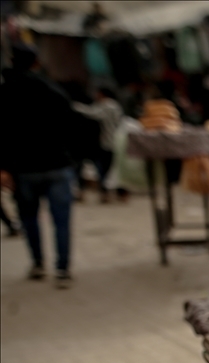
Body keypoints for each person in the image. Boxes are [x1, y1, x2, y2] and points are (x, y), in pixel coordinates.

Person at [0, 43, 77, 287]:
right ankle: (62, 268)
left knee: (29, 218)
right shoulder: (51, 90)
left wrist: (4, 167)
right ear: (36, 62)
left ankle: (38, 263)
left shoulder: (4, 93)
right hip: (57, 164)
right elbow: (71, 123)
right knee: (61, 220)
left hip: (23, 168)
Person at [72, 86, 126, 203]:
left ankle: (108, 193)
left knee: (108, 168)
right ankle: (115, 193)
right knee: (113, 168)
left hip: (110, 141)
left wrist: (76, 106)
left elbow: (93, 113)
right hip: (113, 141)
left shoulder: (107, 105)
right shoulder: (114, 105)